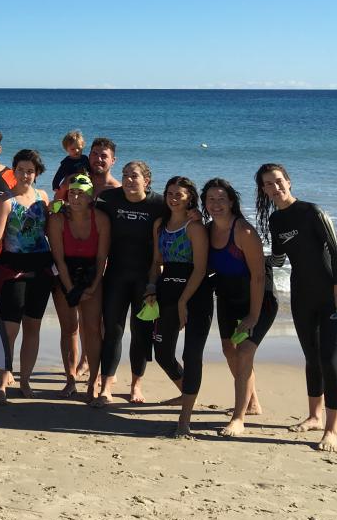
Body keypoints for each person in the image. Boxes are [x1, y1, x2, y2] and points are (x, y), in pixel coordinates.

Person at [255, 163, 337, 452]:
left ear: (289, 181)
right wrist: (250, 259)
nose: (275, 187)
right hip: (301, 297)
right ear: (263, 189)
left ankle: (332, 430)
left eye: (279, 181)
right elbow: (280, 258)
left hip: (332, 296)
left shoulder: (313, 212)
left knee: (330, 360)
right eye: (268, 184)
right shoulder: (275, 221)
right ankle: (314, 416)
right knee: (312, 357)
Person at [0, 149, 53, 403]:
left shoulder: (43, 198)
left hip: (40, 270)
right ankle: (1, 384)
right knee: (9, 330)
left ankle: (25, 381)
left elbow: (51, 233)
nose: (25, 175)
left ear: (37, 173)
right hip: (11, 270)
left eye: (30, 171)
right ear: (14, 171)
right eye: (21, 170)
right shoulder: (6, 201)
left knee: (33, 327)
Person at [203, 177, 277, 438]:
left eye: (221, 199)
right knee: (229, 350)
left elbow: (259, 277)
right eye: (210, 199)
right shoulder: (208, 230)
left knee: (245, 352)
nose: (216, 204)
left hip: (259, 299)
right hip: (227, 297)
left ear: (232, 201)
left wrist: (253, 316)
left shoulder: (244, 232)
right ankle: (252, 400)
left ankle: (239, 418)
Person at [92, 160, 164, 407]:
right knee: (112, 330)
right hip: (116, 276)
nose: (129, 180)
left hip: (146, 279)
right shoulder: (108, 199)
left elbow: (182, 216)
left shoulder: (158, 204)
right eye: (125, 175)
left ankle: (136, 384)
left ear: (147, 180)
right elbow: (79, 207)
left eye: (134, 176)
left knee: (141, 332)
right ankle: (106, 387)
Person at [144, 176, 211, 436]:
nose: (173, 198)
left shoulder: (195, 226)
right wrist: (151, 288)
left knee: (191, 355)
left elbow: (201, 268)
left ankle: (185, 418)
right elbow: (156, 262)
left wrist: (184, 301)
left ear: (189, 198)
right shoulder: (160, 225)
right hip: (166, 291)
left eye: (179, 194)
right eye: (170, 193)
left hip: (195, 293)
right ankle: (186, 393)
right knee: (162, 352)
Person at [47, 173, 110, 400]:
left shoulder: (100, 219)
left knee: (92, 329)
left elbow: (102, 257)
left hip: (92, 274)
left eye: (81, 193)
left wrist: (92, 287)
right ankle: (70, 379)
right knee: (69, 329)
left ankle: (94, 380)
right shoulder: (57, 219)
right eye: (72, 192)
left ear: (91, 197)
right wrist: (71, 288)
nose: (75, 197)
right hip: (64, 275)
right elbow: (59, 259)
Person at [51, 130, 90, 194]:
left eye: (79, 148)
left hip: (84, 186)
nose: (76, 150)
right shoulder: (66, 162)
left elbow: (90, 170)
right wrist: (55, 186)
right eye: (72, 149)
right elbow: (59, 175)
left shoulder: (85, 158)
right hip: (70, 188)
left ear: (82, 147)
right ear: (66, 149)